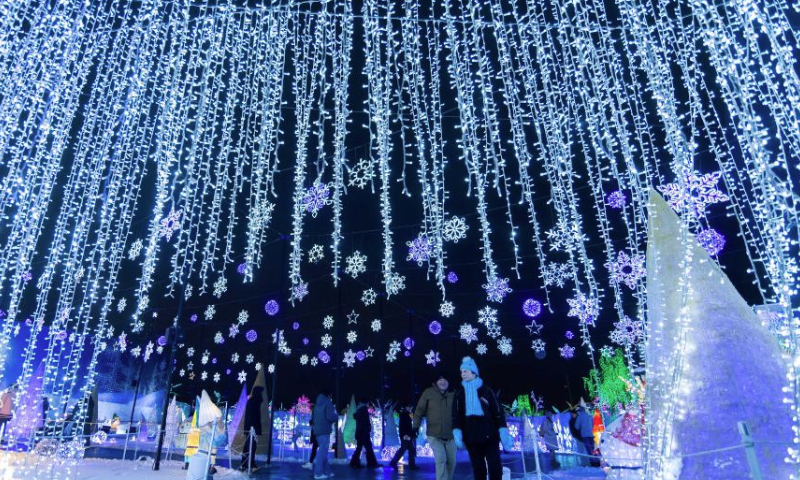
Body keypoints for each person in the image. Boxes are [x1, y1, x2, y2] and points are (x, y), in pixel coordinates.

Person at [452, 357, 513, 480]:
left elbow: (498, 412)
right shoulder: (459, 395)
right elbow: (456, 416)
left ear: (474, 373)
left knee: (495, 469)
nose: (462, 374)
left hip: (490, 437)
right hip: (472, 439)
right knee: (479, 470)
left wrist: (502, 430)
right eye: (461, 372)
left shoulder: (487, 391)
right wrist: (457, 432)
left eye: (465, 371)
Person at [413, 374, 456, 480]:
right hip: (434, 434)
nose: (443, 382)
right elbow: (419, 410)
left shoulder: (454, 394)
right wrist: (415, 427)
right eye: (440, 379)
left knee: (451, 461)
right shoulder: (428, 393)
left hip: (451, 435)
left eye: (445, 379)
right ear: (436, 382)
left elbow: (461, 412)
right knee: (441, 459)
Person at [186, 390, 227, 480]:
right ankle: (209, 472)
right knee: (207, 462)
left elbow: (219, 434)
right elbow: (221, 434)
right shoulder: (213, 412)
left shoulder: (211, 412)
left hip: (207, 447)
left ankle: (209, 472)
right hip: (206, 448)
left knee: (207, 461)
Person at [311, 388, 338, 479]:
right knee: (322, 452)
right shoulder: (327, 403)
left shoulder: (317, 404)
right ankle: (318, 473)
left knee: (323, 451)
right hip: (324, 430)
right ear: (328, 394)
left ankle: (327, 471)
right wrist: (336, 416)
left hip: (317, 430)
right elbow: (330, 417)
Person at [349, 397, 380, 468]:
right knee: (369, 448)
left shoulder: (359, 410)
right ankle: (372, 463)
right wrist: (368, 428)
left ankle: (354, 462)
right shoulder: (364, 409)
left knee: (359, 448)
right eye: (368, 403)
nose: (368, 404)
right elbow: (366, 422)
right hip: (364, 433)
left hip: (360, 432)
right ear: (366, 403)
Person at [240, 386, 264, 471]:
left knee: (250, 447)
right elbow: (252, 417)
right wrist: (253, 427)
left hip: (251, 428)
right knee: (250, 447)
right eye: (261, 392)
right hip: (252, 428)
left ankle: (247, 464)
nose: (262, 394)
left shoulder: (254, 401)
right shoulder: (254, 402)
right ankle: (248, 464)